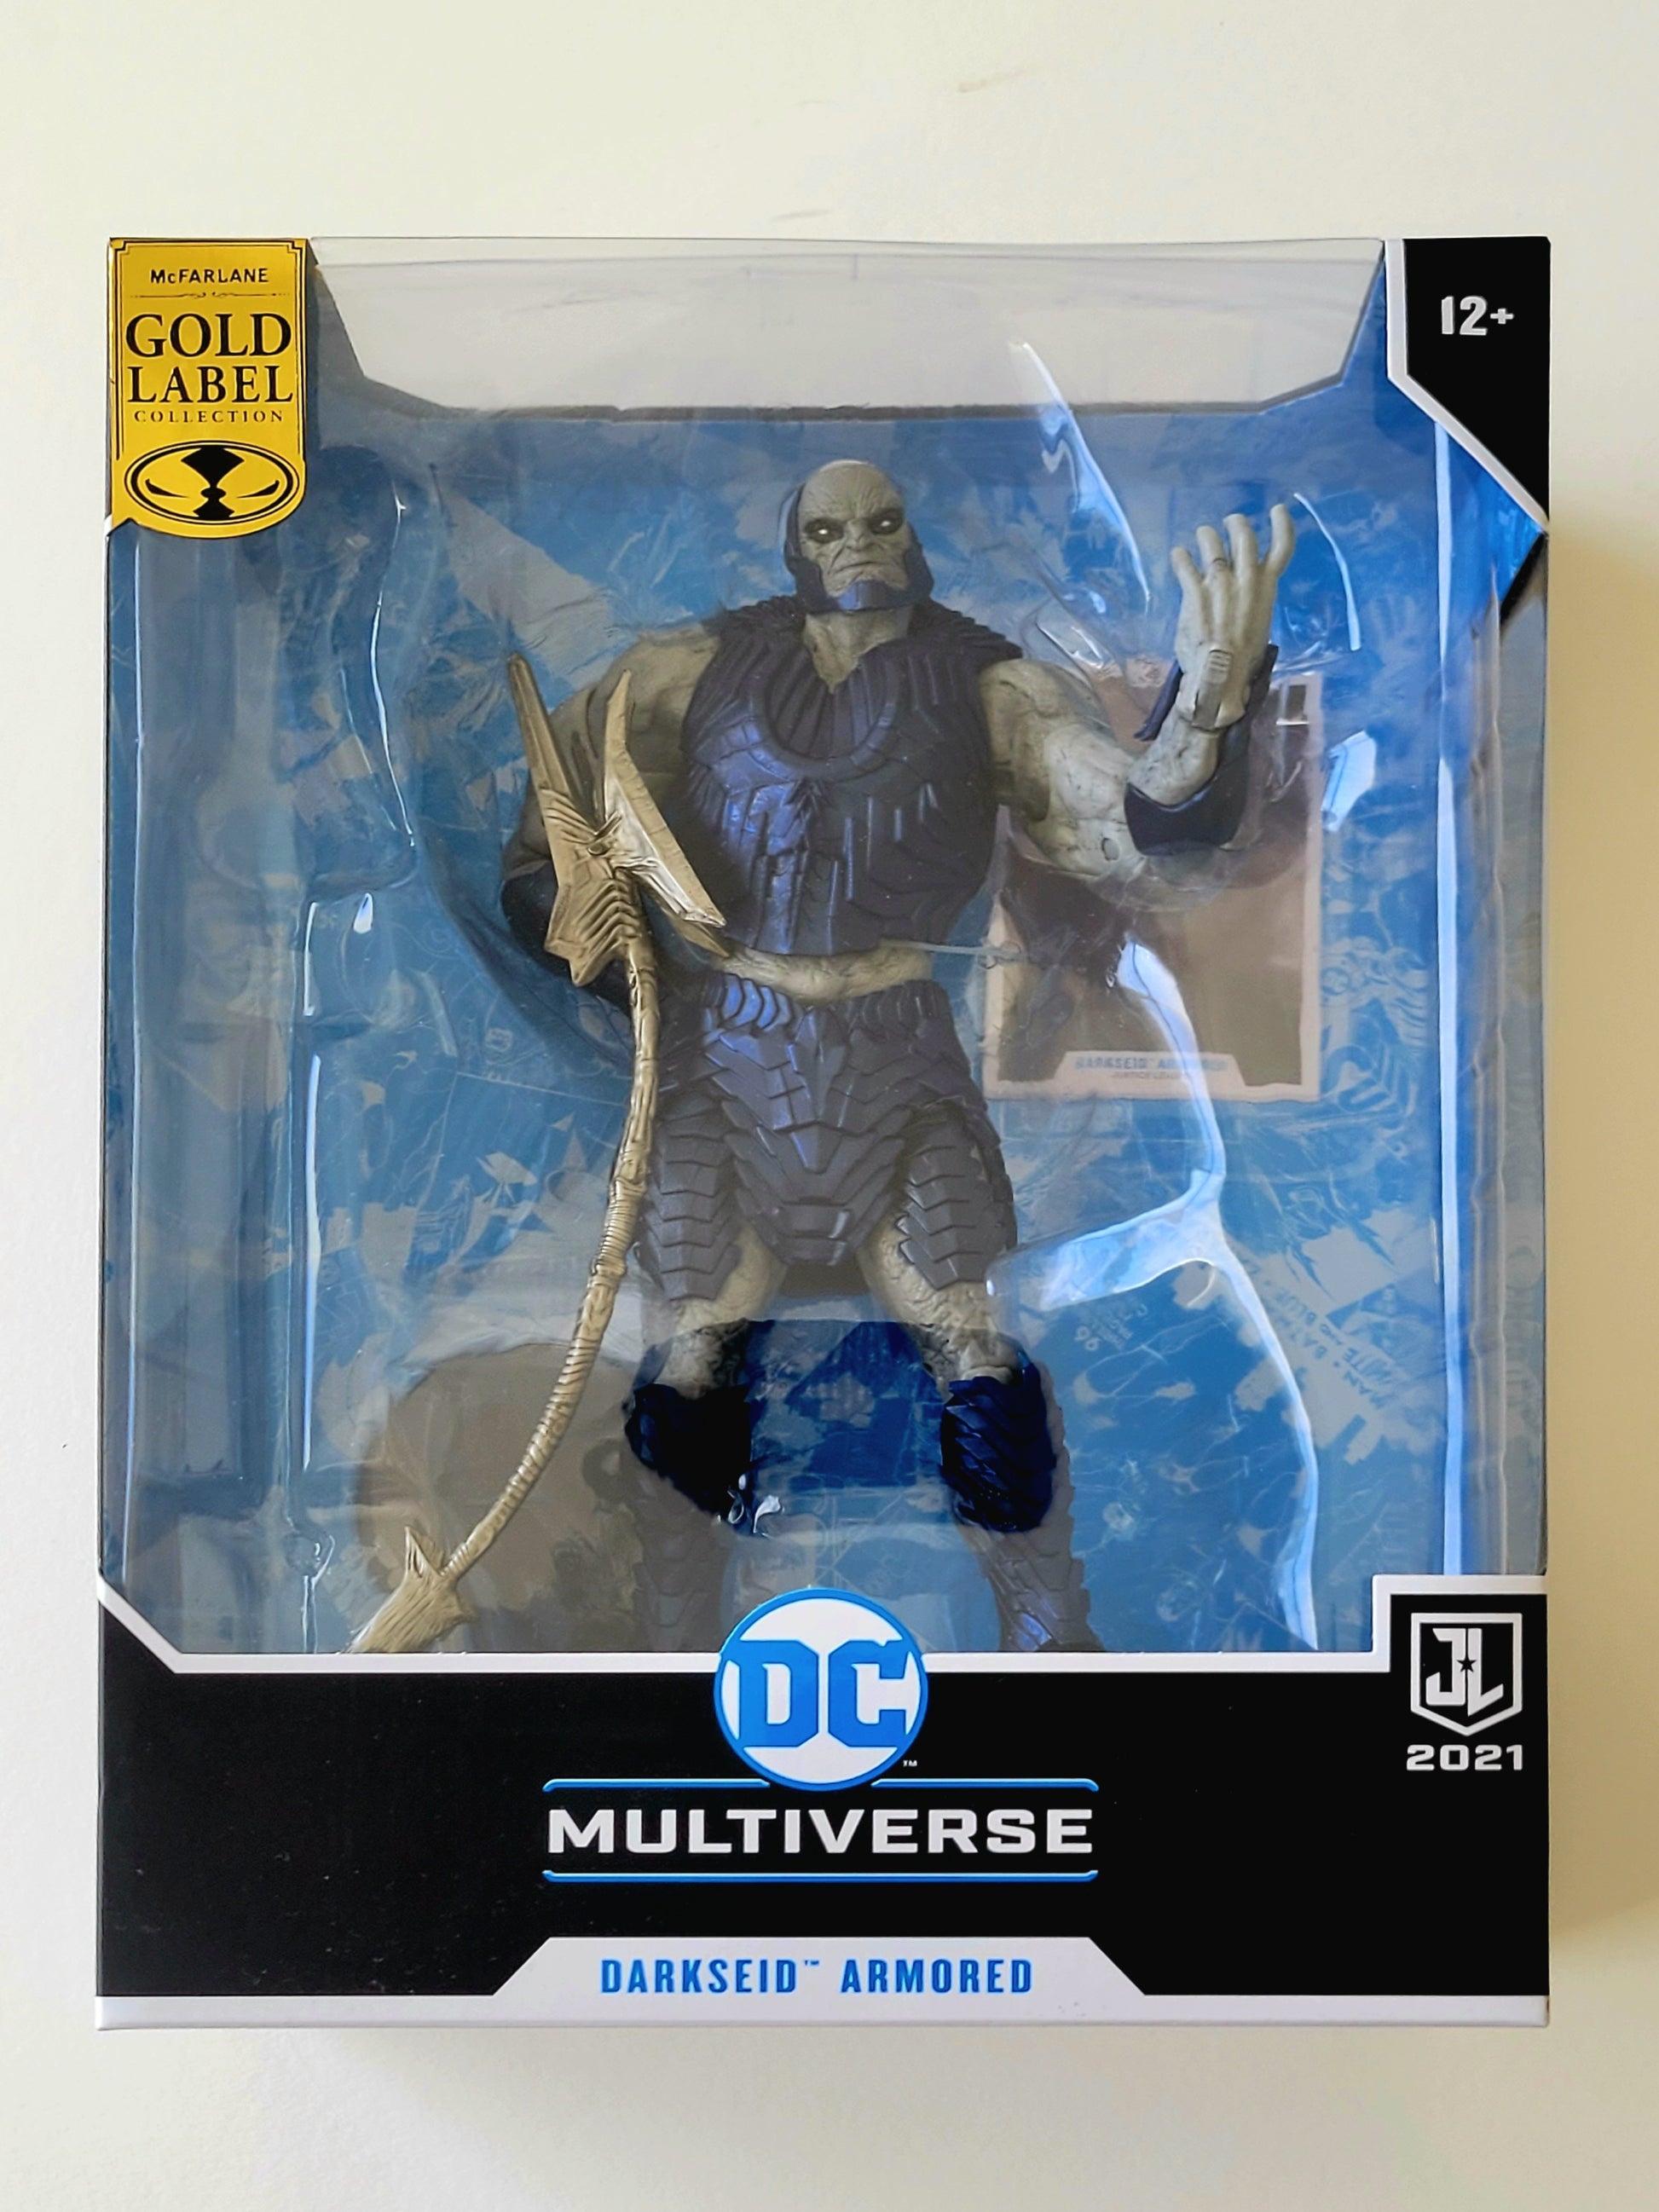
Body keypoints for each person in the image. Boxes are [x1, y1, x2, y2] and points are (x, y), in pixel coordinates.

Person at [503, 459, 1292, 1649]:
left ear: (912, 536)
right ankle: (667, 1640)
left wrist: (1208, 704)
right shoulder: (676, 675)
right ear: (796, 545)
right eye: (830, 527)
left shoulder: (991, 689)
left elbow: (1135, 822)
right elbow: (547, 845)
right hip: (727, 1054)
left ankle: (1049, 1630)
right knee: (690, 1354)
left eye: (881, 521)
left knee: (970, 1343)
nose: (858, 544)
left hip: (895, 1053)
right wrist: (606, 946)